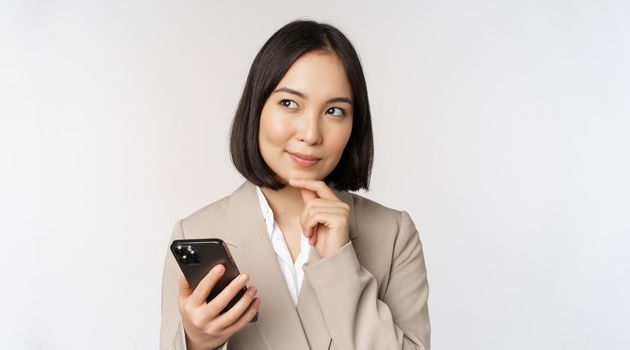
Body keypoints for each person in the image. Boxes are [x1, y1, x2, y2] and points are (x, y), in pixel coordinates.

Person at [160, 20, 430, 350]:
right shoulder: (197, 232)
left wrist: (340, 265)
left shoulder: (393, 234)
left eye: (334, 110)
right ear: (256, 107)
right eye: (290, 103)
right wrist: (197, 343)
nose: (311, 133)